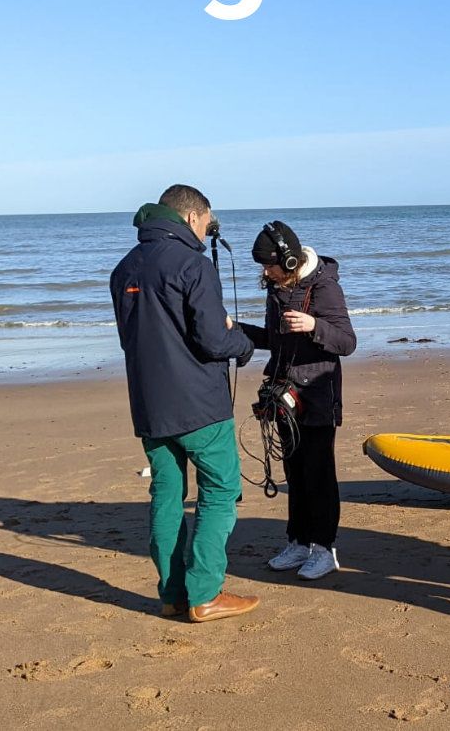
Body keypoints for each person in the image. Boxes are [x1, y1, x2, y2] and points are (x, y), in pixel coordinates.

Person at [109, 184, 260, 623]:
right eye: (207, 221)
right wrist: (245, 344)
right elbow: (214, 340)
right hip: (199, 405)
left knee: (167, 493)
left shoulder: (124, 269)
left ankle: (174, 593)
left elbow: (129, 340)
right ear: (193, 217)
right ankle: (205, 593)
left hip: (150, 405)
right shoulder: (192, 265)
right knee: (221, 490)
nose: (208, 229)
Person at [237, 220, 358, 580]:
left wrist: (314, 327)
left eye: (269, 265)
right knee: (294, 471)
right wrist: (235, 329)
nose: (265, 272)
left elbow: (347, 343)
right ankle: (299, 541)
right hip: (284, 394)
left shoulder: (325, 288)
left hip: (319, 394)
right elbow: (275, 340)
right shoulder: (275, 288)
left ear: (289, 261)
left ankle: (324, 549)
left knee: (319, 474)